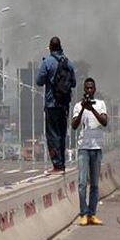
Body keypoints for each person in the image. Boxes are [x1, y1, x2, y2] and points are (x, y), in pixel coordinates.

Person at [36, 36, 77, 173]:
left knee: (52, 135)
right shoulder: (69, 63)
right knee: (62, 134)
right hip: (64, 105)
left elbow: (39, 81)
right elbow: (74, 83)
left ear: (51, 48)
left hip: (51, 104)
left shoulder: (47, 62)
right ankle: (63, 164)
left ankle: (57, 165)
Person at [71, 77, 108, 226]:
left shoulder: (100, 104)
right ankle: (84, 213)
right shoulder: (78, 106)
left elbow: (104, 122)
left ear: (95, 89)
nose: (89, 91)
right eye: (86, 88)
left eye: (91, 88)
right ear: (84, 90)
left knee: (94, 184)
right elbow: (74, 125)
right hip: (83, 148)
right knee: (81, 183)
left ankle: (92, 214)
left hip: (97, 148)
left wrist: (91, 109)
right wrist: (82, 110)